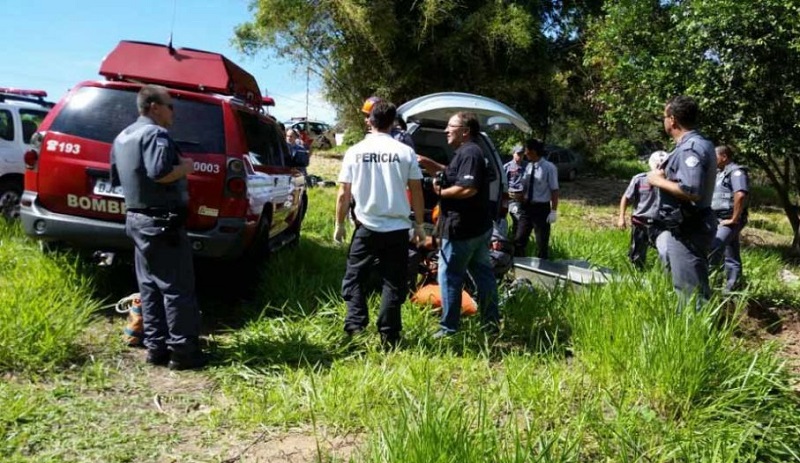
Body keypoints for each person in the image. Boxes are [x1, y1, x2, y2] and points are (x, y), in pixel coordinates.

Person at [109, 84, 206, 370]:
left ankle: (157, 349)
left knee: (149, 286)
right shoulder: (155, 134)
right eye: (170, 105)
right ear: (154, 106)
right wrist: (185, 168)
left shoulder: (123, 136)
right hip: (162, 222)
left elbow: (116, 178)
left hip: (137, 220)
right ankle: (184, 353)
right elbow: (160, 172)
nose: (173, 111)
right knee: (177, 288)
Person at [334, 99, 426, 349]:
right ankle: (389, 337)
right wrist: (418, 224)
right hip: (397, 229)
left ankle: (355, 326)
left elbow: (343, 193)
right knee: (392, 282)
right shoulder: (405, 151)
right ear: (394, 122)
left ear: (370, 121)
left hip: (366, 226)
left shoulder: (355, 151)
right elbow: (417, 191)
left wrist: (339, 224)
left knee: (354, 279)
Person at [417, 112, 500, 337]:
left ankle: (448, 328)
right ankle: (491, 324)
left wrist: (440, 192)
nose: (446, 130)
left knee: (449, 276)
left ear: (465, 131)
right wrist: (428, 163)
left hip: (462, 231)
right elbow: (454, 174)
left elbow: (467, 188)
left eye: (450, 126)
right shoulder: (467, 153)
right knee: (484, 276)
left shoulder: (470, 153)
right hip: (478, 229)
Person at [648, 95, 717, 307]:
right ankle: (694, 333)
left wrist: (657, 180)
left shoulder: (690, 148)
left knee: (690, 293)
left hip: (690, 227)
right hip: (689, 225)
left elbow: (692, 190)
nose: (664, 121)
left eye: (664, 116)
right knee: (689, 287)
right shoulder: (700, 143)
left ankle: (696, 337)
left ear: (673, 120)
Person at [617, 150, 671, 269]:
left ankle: (665, 278)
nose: (660, 166)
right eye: (658, 164)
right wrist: (621, 217)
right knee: (636, 257)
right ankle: (638, 277)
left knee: (665, 251)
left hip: (661, 225)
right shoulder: (639, 179)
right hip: (640, 222)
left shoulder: (672, 182)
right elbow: (626, 197)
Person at [709, 145, 749, 293]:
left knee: (714, 247)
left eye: (715, 157)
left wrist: (733, 219)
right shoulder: (720, 173)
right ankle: (733, 288)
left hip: (729, 220)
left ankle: (711, 283)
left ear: (724, 157)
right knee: (730, 252)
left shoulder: (736, 172)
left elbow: (740, 194)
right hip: (718, 219)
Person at [511, 138, 559, 259]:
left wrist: (553, 211)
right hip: (526, 207)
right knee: (519, 238)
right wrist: (518, 198)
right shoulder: (528, 167)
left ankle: (542, 269)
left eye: (526, 150)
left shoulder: (549, 168)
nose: (525, 153)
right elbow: (526, 186)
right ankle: (518, 264)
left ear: (533, 151)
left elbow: (554, 190)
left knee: (541, 241)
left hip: (541, 209)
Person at [504, 145, 527, 246]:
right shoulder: (507, 167)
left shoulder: (527, 166)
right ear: (513, 154)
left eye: (522, 154)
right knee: (517, 218)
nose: (520, 156)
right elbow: (503, 183)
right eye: (518, 154)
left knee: (522, 222)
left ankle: (517, 240)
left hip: (524, 197)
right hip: (512, 198)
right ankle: (514, 242)